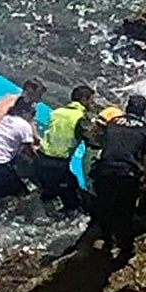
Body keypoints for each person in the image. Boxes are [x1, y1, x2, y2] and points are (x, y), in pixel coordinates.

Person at [94, 95, 146, 260]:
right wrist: (144, 177)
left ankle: (106, 240)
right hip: (126, 173)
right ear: (143, 111)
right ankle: (125, 248)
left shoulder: (113, 122)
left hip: (105, 169)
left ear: (127, 108)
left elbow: (103, 143)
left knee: (105, 206)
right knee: (125, 212)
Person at [34, 85, 94, 213]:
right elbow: (91, 140)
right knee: (74, 203)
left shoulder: (56, 112)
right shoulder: (81, 117)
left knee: (48, 194)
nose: (92, 105)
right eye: (91, 101)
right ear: (84, 99)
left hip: (40, 159)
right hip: (58, 165)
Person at [0, 97, 38, 197]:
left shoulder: (5, 119)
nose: (33, 117)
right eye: (32, 113)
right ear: (24, 111)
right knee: (23, 194)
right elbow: (29, 151)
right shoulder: (24, 126)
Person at [0, 78, 47, 142]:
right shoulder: (24, 108)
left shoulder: (9, 96)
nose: (40, 99)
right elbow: (30, 124)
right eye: (39, 95)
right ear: (29, 92)